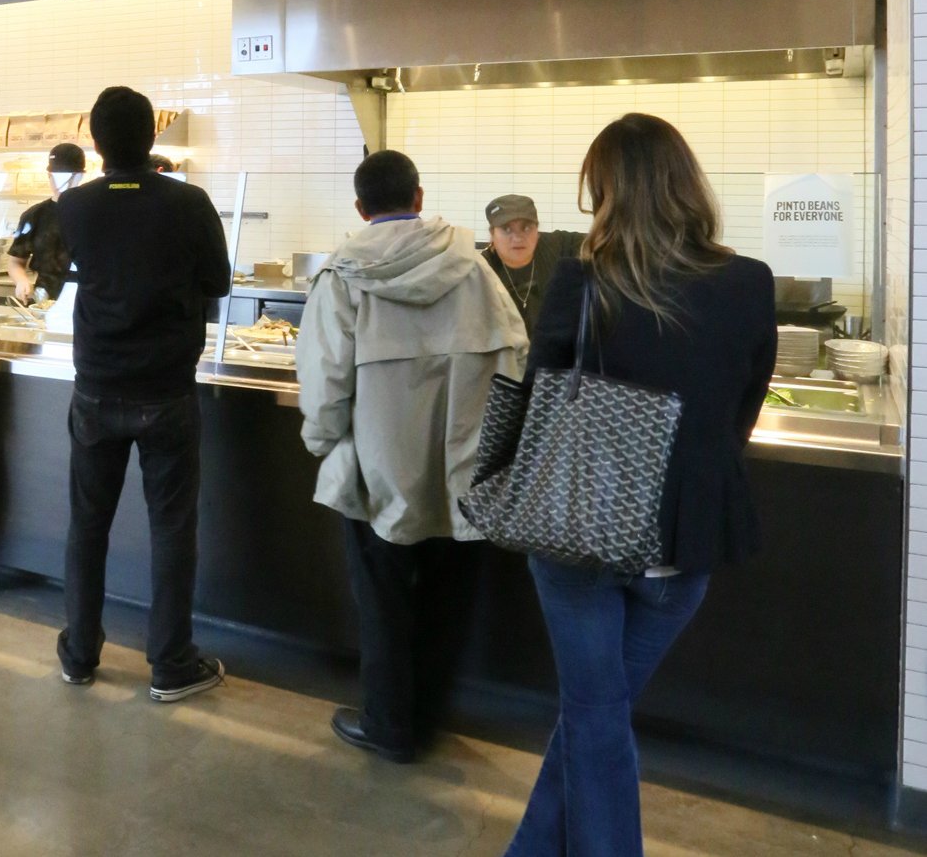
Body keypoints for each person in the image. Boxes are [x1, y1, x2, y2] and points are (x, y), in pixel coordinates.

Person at [503, 114, 776, 856]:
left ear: (608, 195)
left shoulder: (581, 281)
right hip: (682, 545)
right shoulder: (749, 282)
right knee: (596, 717)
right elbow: (737, 415)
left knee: (593, 718)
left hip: (580, 537)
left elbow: (538, 404)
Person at [297, 150, 527, 763]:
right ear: (419, 198)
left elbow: (324, 383)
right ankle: (426, 716)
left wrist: (323, 443)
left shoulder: (342, 276)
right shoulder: (474, 268)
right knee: (448, 600)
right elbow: (515, 357)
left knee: (385, 600)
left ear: (359, 208)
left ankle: (390, 725)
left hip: (378, 471)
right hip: (463, 469)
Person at [54, 86, 232, 701]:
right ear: (151, 140)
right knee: (172, 528)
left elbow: (43, 275)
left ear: (96, 143)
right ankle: (171, 664)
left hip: (96, 389)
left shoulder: (73, 208)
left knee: (88, 525)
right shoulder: (189, 203)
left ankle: (79, 653)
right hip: (166, 392)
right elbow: (218, 281)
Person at [480, 195, 583, 335]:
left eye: (526, 228)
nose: (517, 238)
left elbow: (605, 242)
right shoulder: (481, 270)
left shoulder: (557, 245)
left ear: (537, 231)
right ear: (492, 234)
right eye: (507, 229)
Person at [7, 142, 85, 303]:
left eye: (68, 177)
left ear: (80, 176)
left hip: (84, 298)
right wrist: (21, 281)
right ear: (49, 175)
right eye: (55, 177)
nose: (60, 184)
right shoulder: (34, 215)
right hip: (44, 297)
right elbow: (16, 261)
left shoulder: (93, 213)